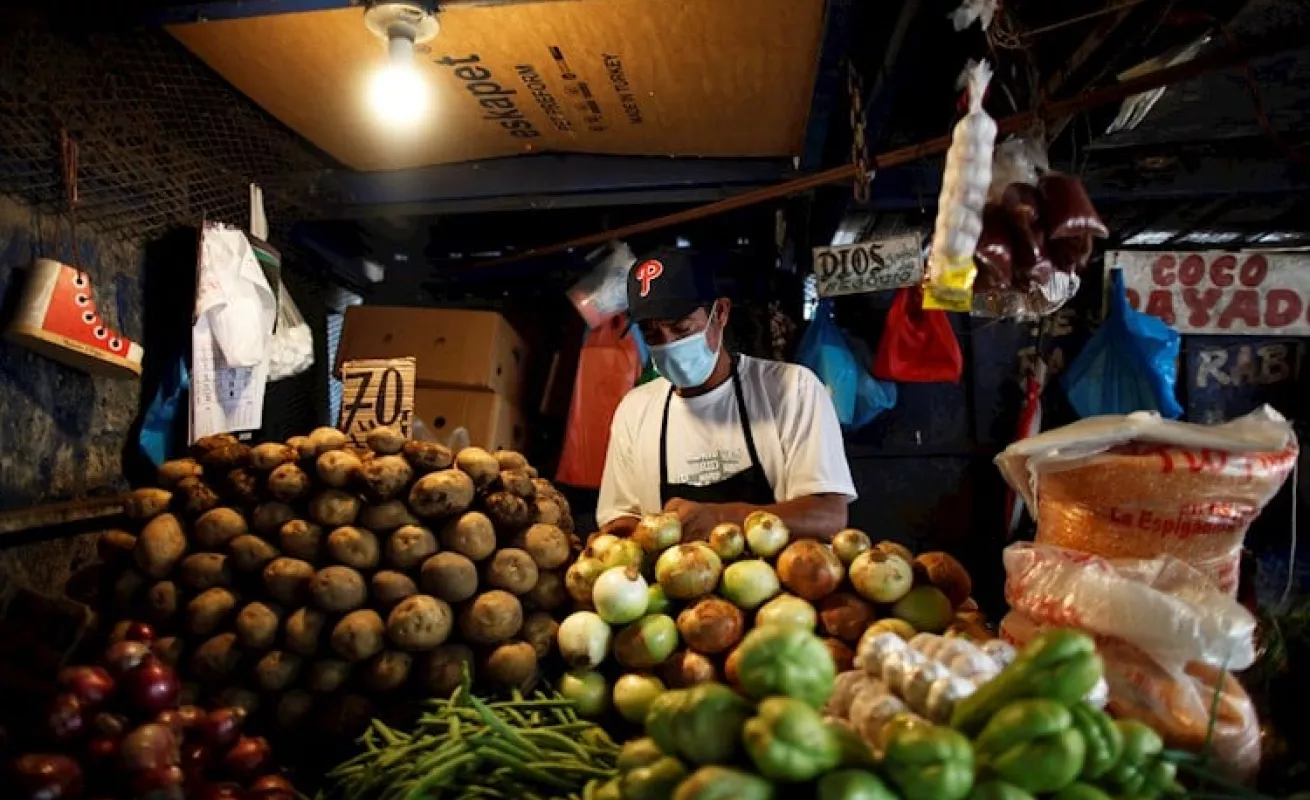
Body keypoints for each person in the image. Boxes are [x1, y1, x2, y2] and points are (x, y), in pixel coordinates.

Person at [596, 247, 857, 542]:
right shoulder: (635, 410)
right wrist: (615, 539)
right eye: (652, 335)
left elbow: (829, 516)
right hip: (677, 583)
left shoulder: (792, 390)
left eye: (681, 329)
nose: (668, 345)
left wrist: (721, 517)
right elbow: (622, 515)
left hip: (777, 584)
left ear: (720, 313)